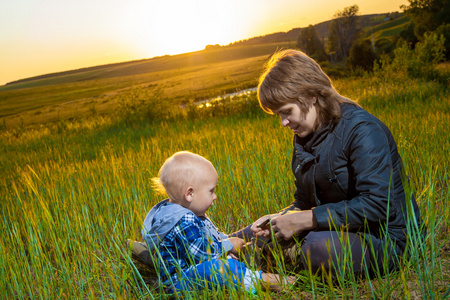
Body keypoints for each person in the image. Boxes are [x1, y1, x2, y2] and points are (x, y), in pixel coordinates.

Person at [232, 49, 423, 277]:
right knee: (263, 236)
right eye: (278, 115)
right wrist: (279, 219)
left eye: (287, 112)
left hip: (387, 238)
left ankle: (294, 262)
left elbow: (378, 204)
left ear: (312, 95)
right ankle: (221, 245)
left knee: (317, 246)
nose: (283, 123)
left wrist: (306, 220)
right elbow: (304, 200)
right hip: (340, 229)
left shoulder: (362, 130)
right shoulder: (304, 136)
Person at [138, 151, 295, 294]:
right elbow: (201, 254)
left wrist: (225, 244)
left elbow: (210, 238)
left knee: (224, 264)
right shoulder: (183, 220)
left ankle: (249, 269)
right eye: (211, 191)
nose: (215, 196)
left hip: (192, 273)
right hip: (179, 283)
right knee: (219, 269)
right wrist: (228, 245)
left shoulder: (183, 212)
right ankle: (266, 280)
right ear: (190, 193)